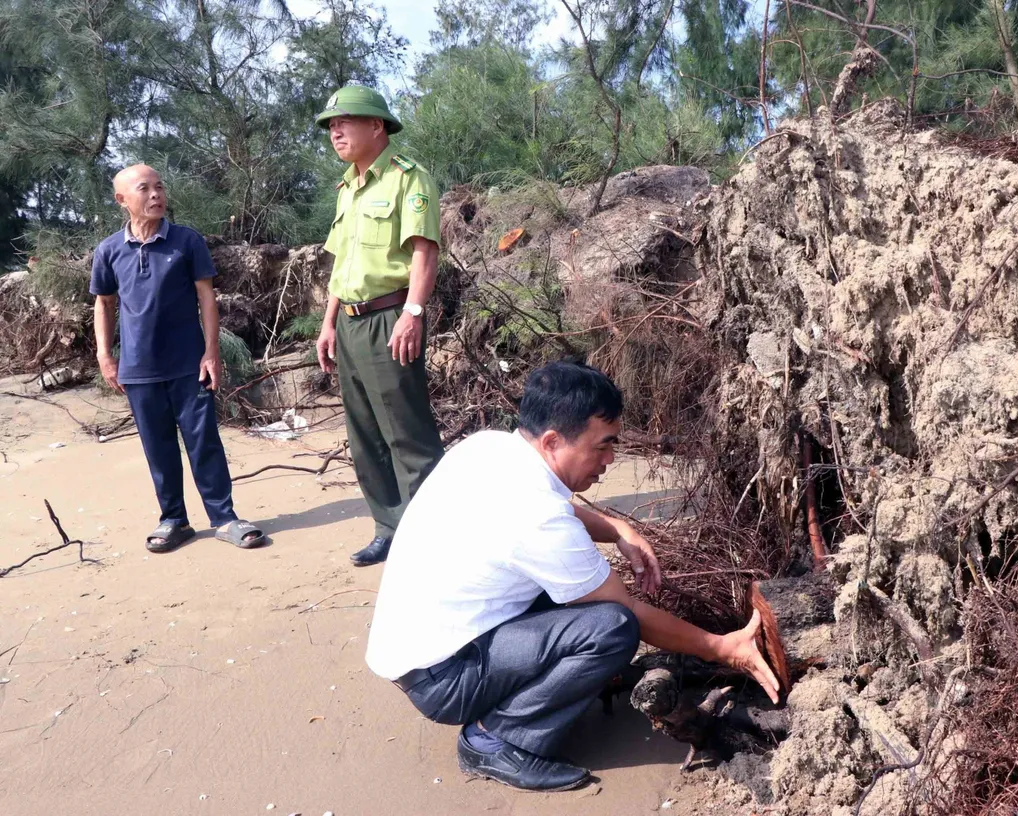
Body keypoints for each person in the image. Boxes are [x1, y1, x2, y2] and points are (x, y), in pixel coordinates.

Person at [365, 361, 779, 792]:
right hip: (445, 679)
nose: (610, 459)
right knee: (612, 628)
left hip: (425, 653)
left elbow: (557, 508)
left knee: (581, 596)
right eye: (602, 446)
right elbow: (625, 609)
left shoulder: (489, 448)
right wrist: (723, 648)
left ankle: (542, 696)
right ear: (552, 440)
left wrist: (620, 529)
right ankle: (493, 738)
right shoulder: (538, 518)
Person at [90, 164, 265, 553]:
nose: (156, 195)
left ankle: (224, 517)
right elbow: (103, 303)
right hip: (138, 369)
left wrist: (211, 352)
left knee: (204, 441)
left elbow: (207, 297)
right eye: (144, 189)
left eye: (160, 187)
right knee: (158, 446)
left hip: (189, 363)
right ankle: (173, 519)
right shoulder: (109, 250)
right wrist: (105, 355)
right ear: (122, 200)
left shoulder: (186, 241)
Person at [314, 85, 444, 567]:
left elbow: (424, 252)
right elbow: (341, 264)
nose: (335, 131)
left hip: (389, 317)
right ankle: (389, 528)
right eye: (330, 125)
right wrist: (328, 325)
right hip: (348, 323)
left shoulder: (409, 179)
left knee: (407, 433)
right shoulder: (348, 186)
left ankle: (432, 538)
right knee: (364, 434)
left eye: (344, 121)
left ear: (376, 125)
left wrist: (412, 313)